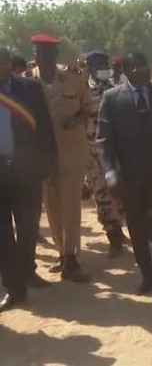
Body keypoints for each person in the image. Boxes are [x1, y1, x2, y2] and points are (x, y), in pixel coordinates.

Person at [96, 51, 152, 314]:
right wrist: (110, 173)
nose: (145, 73)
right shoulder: (112, 99)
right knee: (136, 231)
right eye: (139, 69)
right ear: (127, 70)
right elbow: (103, 141)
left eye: (147, 67)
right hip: (128, 180)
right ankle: (147, 276)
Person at [30, 34, 92, 282]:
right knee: (52, 206)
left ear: (55, 56)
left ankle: (72, 257)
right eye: (38, 53)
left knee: (71, 206)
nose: (43, 58)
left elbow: (89, 109)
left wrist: (77, 120)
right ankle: (60, 252)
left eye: (48, 53)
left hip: (71, 151)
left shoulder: (73, 78)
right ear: (34, 55)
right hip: (43, 155)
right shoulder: (27, 82)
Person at [0, 45, 57, 312]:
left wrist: (50, 165)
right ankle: (14, 288)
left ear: (10, 65)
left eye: (3, 64)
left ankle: (28, 271)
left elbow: (45, 127)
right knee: (2, 235)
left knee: (28, 228)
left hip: (26, 171)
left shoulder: (29, 89)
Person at [83, 51, 129, 257]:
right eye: (99, 64)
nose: (104, 67)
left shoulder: (115, 89)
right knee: (101, 195)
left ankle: (121, 228)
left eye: (105, 63)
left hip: (115, 151)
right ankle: (114, 237)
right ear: (89, 67)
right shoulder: (82, 91)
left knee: (120, 194)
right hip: (92, 153)